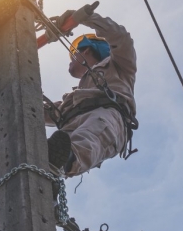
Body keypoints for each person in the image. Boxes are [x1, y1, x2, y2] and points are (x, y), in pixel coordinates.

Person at [42, 11, 138, 176]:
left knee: (85, 140)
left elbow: (121, 38)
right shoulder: (76, 96)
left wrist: (85, 17)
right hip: (71, 124)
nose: (71, 60)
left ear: (86, 51)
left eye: (74, 55)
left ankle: (66, 159)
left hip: (107, 116)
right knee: (46, 153)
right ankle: (15, 153)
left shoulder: (120, 67)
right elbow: (44, 113)